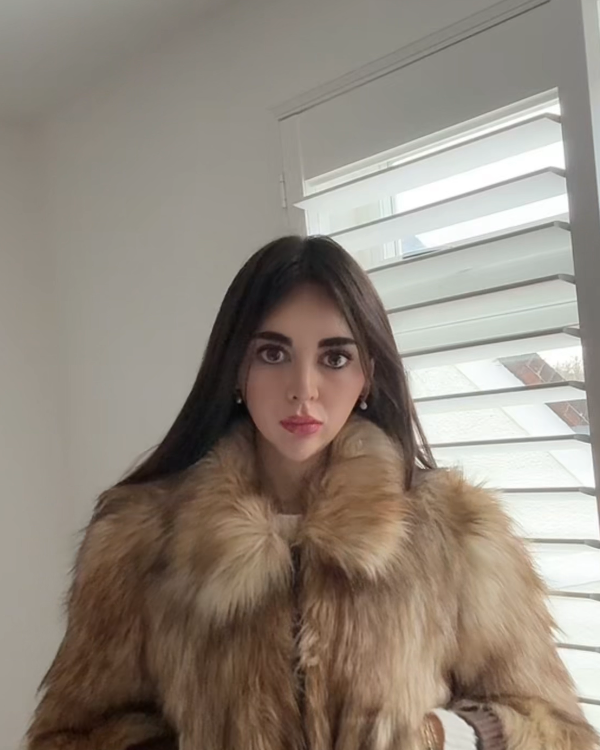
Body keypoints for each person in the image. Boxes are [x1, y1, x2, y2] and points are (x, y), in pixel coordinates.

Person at [26, 236, 597, 750]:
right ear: (236, 369)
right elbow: (70, 734)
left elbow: (560, 732)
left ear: (368, 375)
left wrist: (443, 734)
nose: (303, 389)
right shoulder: (140, 540)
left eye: (335, 357)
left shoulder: (457, 533)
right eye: (272, 354)